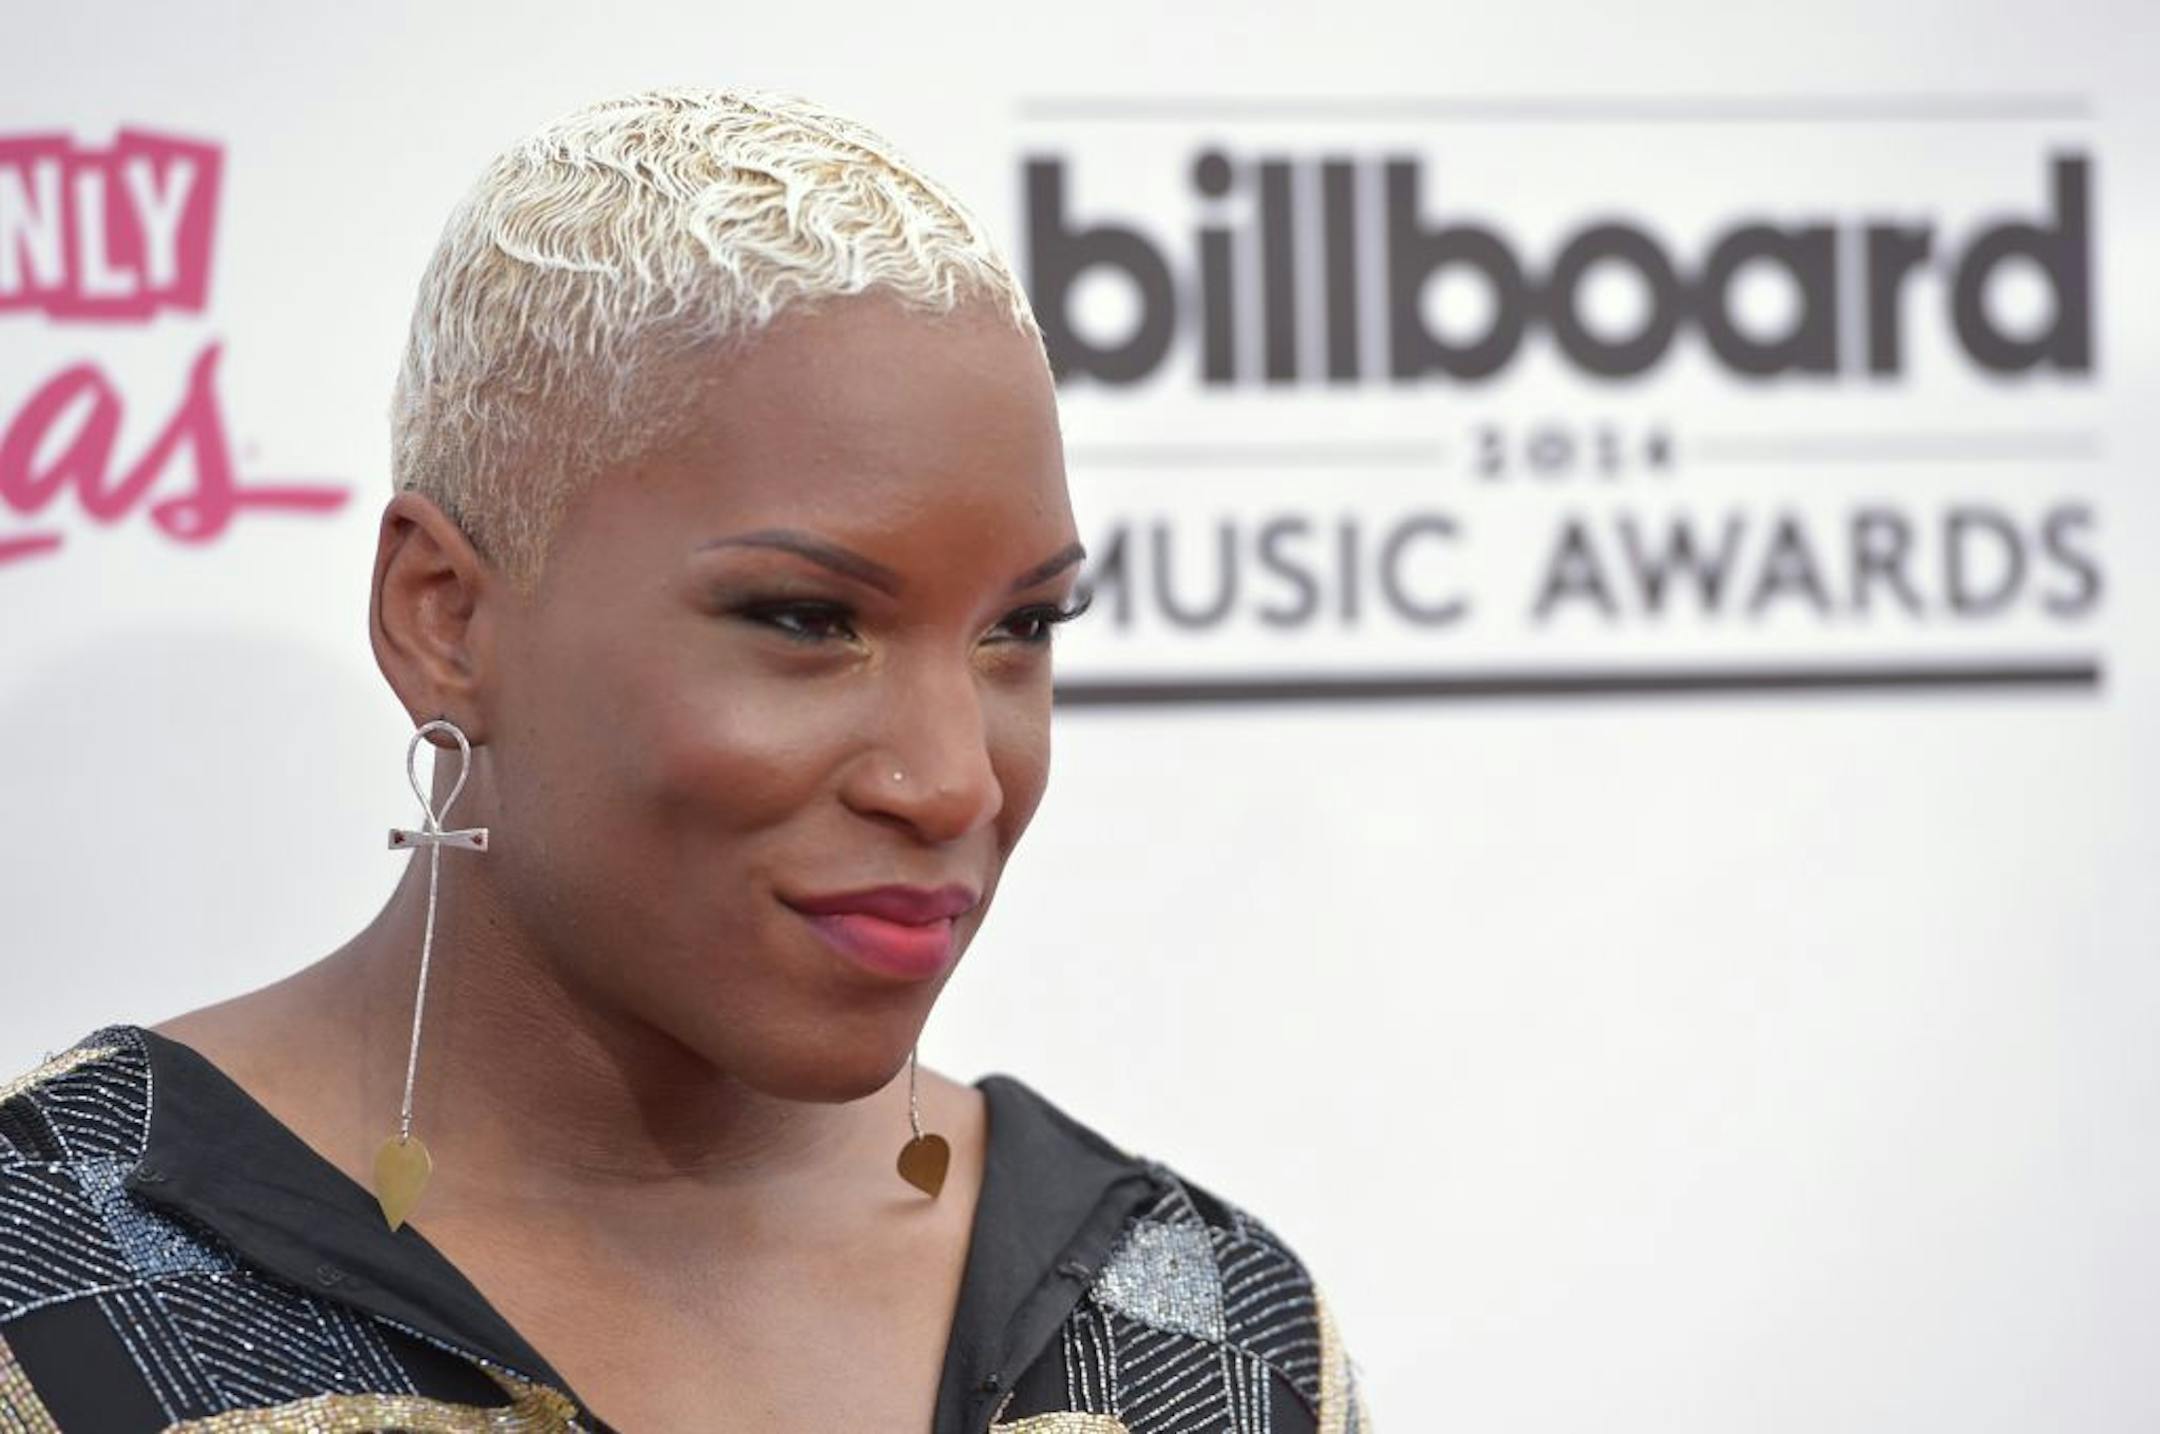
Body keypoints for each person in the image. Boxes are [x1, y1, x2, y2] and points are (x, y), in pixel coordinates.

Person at [0, 87, 1374, 1432]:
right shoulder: (42, 1279)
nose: (955, 781)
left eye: (1022, 627)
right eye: (806, 619)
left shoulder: (1210, 1331)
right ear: (445, 615)